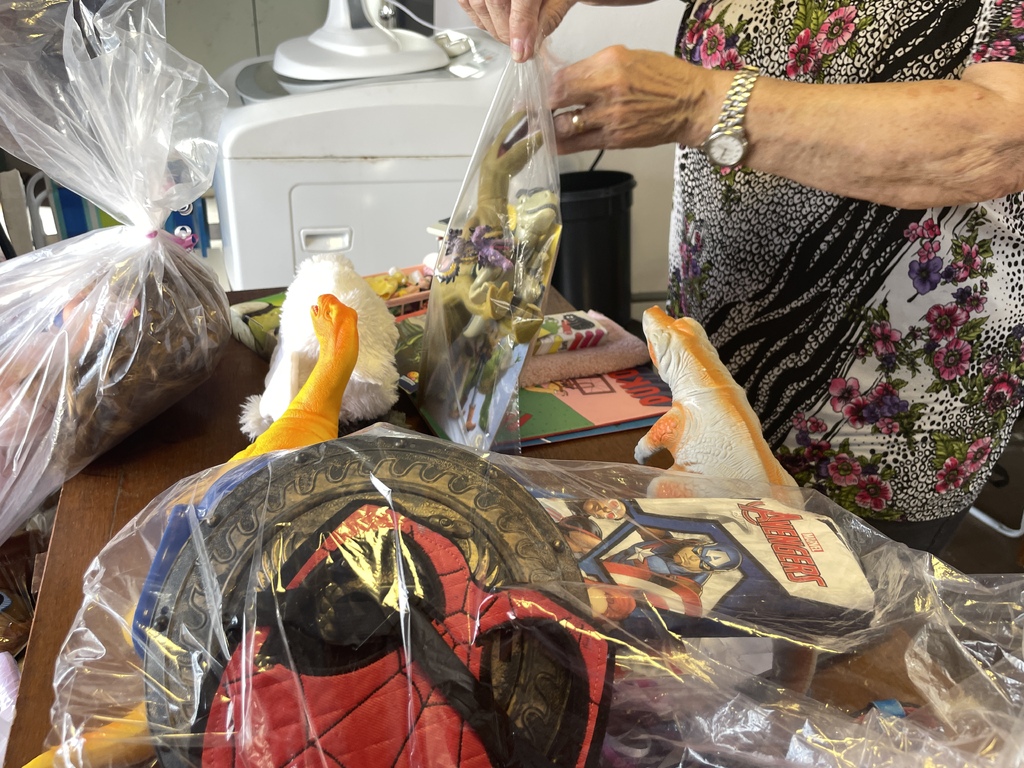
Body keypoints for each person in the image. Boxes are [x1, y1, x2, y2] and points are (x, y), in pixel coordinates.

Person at [458, 0, 1024, 554]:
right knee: (691, 572)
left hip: (872, 413)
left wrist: (702, 105)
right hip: (714, 347)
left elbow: (1002, 142)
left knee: (831, 595)